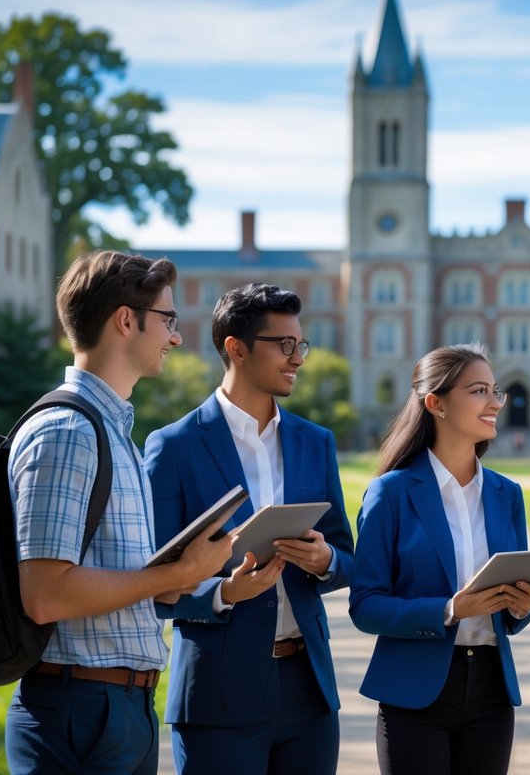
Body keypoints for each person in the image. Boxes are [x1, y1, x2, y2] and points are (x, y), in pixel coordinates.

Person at [6, 251, 234, 775]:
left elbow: (120, 581)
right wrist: (178, 572)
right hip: (80, 709)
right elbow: (46, 595)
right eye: (168, 320)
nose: (176, 337)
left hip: (119, 708)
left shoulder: (115, 433)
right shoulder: (68, 432)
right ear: (126, 320)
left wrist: (197, 579)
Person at [144, 283, 355, 774]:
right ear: (235, 348)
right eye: (283, 345)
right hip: (217, 693)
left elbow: (346, 554)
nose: (297, 358)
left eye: (299, 345)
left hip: (309, 689)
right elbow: (151, 583)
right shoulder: (173, 447)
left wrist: (327, 562)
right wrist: (223, 594)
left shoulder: (315, 442)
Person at [349, 343, 530, 775]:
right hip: (414, 691)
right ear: (436, 403)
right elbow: (365, 606)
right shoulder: (391, 493)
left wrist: (523, 604)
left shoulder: (505, 494)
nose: (496, 402)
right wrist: (450, 610)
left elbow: (512, 617)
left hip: (492, 693)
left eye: (496, 391)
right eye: (479, 391)